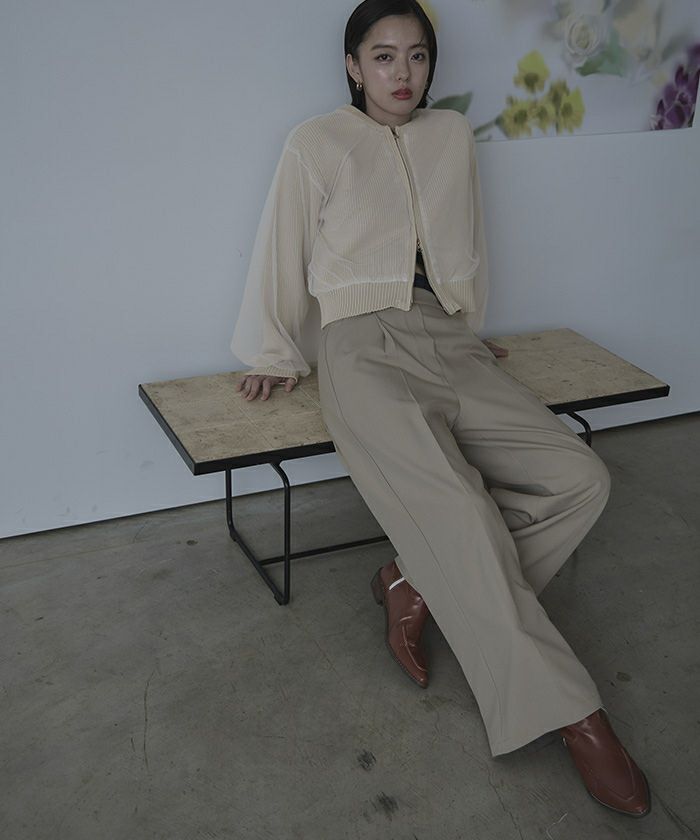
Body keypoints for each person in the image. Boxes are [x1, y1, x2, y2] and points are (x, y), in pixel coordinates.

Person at [230, 0, 651, 818]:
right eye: (383, 56)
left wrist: (468, 329)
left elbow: (466, 246)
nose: (402, 73)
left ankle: (409, 578)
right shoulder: (316, 141)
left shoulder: (451, 136)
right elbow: (280, 249)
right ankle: (578, 718)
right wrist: (277, 353)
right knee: (460, 509)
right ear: (353, 65)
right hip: (360, 347)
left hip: (449, 340)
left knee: (580, 477)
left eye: (417, 55)